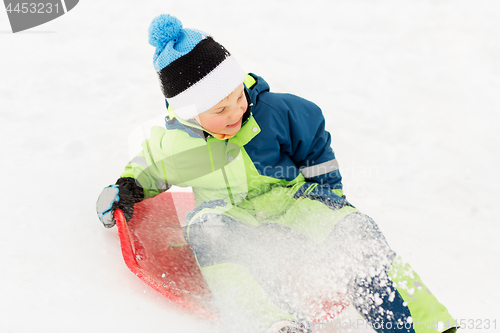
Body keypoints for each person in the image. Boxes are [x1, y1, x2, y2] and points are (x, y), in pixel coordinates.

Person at [96, 14, 457, 333]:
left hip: (292, 201)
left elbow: (315, 143)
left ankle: (419, 324)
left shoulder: (275, 112)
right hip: (226, 214)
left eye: (238, 96)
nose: (236, 110)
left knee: (354, 231)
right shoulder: (176, 144)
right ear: (189, 113)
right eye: (220, 109)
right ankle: (274, 322)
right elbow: (150, 168)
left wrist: (328, 195)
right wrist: (126, 189)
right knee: (207, 231)